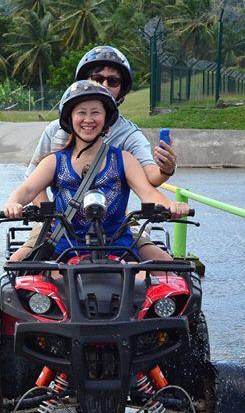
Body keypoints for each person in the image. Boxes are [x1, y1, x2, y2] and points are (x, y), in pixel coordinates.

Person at [11, 46, 178, 261]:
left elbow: (148, 187)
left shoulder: (126, 149)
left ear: (106, 121)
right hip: (61, 230)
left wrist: (170, 199)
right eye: (97, 78)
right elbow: (29, 186)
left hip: (115, 232)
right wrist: (44, 215)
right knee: (17, 267)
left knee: (169, 269)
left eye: (113, 81)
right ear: (69, 119)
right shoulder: (54, 151)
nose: (88, 120)